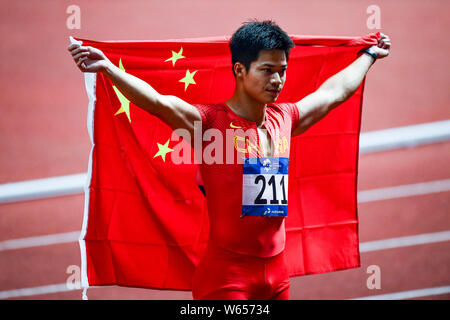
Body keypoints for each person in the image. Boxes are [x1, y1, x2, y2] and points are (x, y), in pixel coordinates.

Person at [68, 20, 391, 300]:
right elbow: (156, 101)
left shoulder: (285, 118)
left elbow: (334, 92)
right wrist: (108, 68)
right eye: (266, 70)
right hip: (227, 279)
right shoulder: (209, 124)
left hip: (278, 275)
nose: (277, 80)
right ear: (240, 69)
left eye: (282, 71)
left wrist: (370, 55)